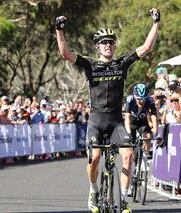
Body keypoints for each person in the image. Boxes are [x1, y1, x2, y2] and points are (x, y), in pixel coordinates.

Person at [55, 8, 160, 213]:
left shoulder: (121, 64)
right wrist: (59, 30)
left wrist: (156, 23)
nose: (108, 45)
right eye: (104, 42)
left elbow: (146, 47)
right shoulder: (90, 64)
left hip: (115, 121)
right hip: (96, 119)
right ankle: (94, 191)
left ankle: (123, 199)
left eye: (111, 42)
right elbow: (65, 54)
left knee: (128, 155)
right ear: (97, 47)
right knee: (94, 158)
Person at [124, 83, 158, 158]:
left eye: (144, 99)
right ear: (135, 97)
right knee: (130, 143)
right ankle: (134, 158)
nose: (141, 101)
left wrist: (156, 132)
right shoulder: (130, 99)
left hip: (143, 121)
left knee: (148, 136)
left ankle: (145, 155)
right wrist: (128, 132)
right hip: (132, 122)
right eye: (139, 99)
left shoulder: (150, 100)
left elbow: (153, 116)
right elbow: (127, 117)